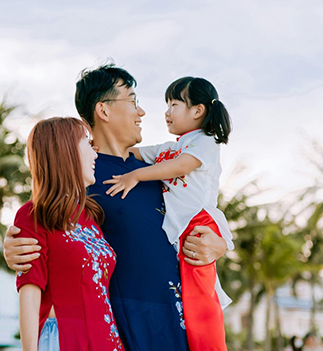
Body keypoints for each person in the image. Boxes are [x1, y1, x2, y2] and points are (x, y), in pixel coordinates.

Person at [3, 64, 229, 351]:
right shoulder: (82, 176)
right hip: (122, 326)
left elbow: (196, 211)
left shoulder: (156, 171)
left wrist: (218, 245)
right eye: (133, 101)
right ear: (104, 110)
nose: (142, 112)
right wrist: (13, 246)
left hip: (178, 321)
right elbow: (44, 224)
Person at [103, 76, 234, 350]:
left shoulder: (205, 142)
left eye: (174, 104)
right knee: (192, 294)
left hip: (197, 222)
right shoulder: (172, 147)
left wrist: (136, 176)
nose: (166, 112)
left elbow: (181, 166)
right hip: (181, 226)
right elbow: (136, 152)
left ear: (197, 111)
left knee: (200, 299)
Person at [15, 117, 123, 351]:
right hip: (63, 340)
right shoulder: (33, 215)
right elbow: (30, 295)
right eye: (87, 143)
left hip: (106, 341)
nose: (95, 154)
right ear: (64, 150)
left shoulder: (90, 218)